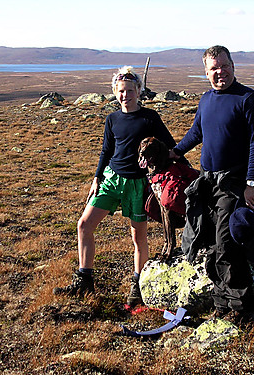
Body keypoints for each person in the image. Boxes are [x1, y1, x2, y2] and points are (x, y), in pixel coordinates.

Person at [53, 66, 178, 307]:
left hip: (138, 184)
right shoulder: (112, 119)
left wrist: (176, 171)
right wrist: (97, 177)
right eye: (121, 91)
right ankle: (84, 280)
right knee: (84, 224)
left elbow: (170, 146)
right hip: (111, 178)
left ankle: (138, 285)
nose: (125, 95)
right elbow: (106, 150)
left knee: (137, 236)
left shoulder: (150, 118)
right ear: (115, 91)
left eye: (130, 91)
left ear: (139, 91)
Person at [170, 45, 254, 320]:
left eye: (224, 66)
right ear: (206, 72)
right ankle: (220, 302)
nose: (220, 72)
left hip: (234, 182)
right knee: (211, 242)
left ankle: (239, 306)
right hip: (208, 183)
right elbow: (197, 132)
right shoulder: (206, 100)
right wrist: (176, 152)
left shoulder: (248, 99)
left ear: (233, 66)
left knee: (228, 243)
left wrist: (252, 181)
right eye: (214, 68)